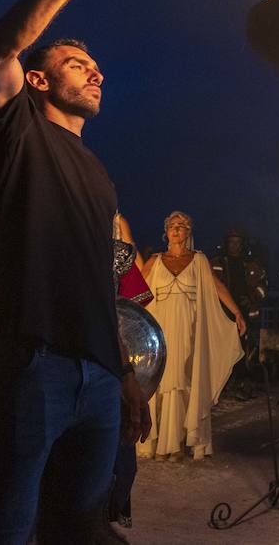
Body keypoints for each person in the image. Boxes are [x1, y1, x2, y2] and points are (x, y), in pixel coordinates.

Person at [0, 0, 152, 543]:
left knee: (79, 532)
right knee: (6, 530)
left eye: (95, 68)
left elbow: (99, 277)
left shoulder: (98, 173)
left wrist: (123, 373)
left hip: (98, 379)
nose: (95, 72)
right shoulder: (15, 137)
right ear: (39, 81)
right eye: (76, 65)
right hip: (28, 364)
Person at [142, 210, 246, 461]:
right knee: (163, 380)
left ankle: (179, 442)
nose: (177, 230)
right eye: (173, 226)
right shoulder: (155, 261)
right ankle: (158, 443)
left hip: (188, 330)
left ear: (189, 232)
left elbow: (216, 286)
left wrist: (236, 313)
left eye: (182, 226)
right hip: (161, 330)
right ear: (166, 232)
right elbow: (137, 289)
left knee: (183, 378)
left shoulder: (198, 260)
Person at [109, 212, 152, 531]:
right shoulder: (58, 249)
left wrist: (131, 382)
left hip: (112, 362)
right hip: (65, 366)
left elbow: (125, 317)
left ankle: (106, 520)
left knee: (123, 465)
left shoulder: (115, 257)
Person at [211, 230, 267, 321]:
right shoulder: (217, 262)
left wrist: (251, 298)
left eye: (238, 242)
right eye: (232, 242)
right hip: (223, 311)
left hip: (247, 312)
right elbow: (208, 285)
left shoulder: (252, 264)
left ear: (242, 244)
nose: (234, 245)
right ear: (227, 243)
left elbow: (263, 286)